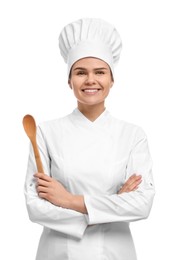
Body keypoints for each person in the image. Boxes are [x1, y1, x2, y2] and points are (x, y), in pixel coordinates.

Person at [24, 18, 155, 260]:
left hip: (115, 252)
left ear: (112, 80)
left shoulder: (132, 135)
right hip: (58, 252)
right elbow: (35, 206)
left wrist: (69, 200)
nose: (90, 80)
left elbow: (142, 203)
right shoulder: (45, 132)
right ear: (69, 80)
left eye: (100, 72)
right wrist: (112, 205)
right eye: (81, 72)